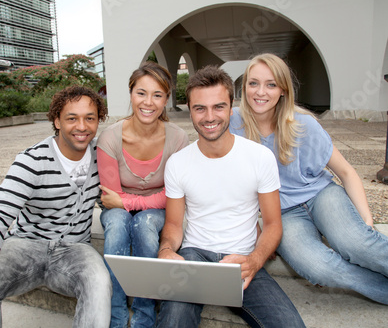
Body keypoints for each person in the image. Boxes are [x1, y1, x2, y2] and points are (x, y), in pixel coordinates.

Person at [230, 53, 388, 304]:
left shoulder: (303, 124)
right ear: (244, 86)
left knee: (356, 243)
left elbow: (346, 172)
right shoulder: (232, 124)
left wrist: (366, 221)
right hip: (283, 213)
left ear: (282, 90)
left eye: (271, 84)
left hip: (321, 195)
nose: (260, 92)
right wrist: (255, 228)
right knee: (319, 267)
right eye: (253, 83)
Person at [156, 65, 305, 328]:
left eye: (218, 107)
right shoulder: (178, 163)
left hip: (243, 257)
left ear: (231, 107)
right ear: (189, 110)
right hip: (195, 257)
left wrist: (255, 259)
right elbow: (174, 225)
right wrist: (166, 249)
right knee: (173, 322)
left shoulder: (259, 157)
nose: (209, 116)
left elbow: (272, 225)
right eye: (200, 108)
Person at [0, 85, 112, 328]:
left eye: (89, 118)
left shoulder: (102, 156)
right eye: (72, 118)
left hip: (75, 249)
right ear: (57, 121)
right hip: (25, 245)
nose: (82, 126)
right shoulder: (31, 161)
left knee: (99, 282)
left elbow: (110, 198)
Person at [97, 61, 189, 327]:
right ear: (130, 94)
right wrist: (129, 202)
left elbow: (175, 195)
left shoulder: (178, 139)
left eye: (157, 95)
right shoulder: (110, 138)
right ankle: (115, 316)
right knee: (116, 224)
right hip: (117, 210)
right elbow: (109, 197)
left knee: (145, 224)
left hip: (159, 211)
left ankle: (144, 316)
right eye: (141, 93)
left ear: (166, 100)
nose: (148, 102)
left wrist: (132, 201)